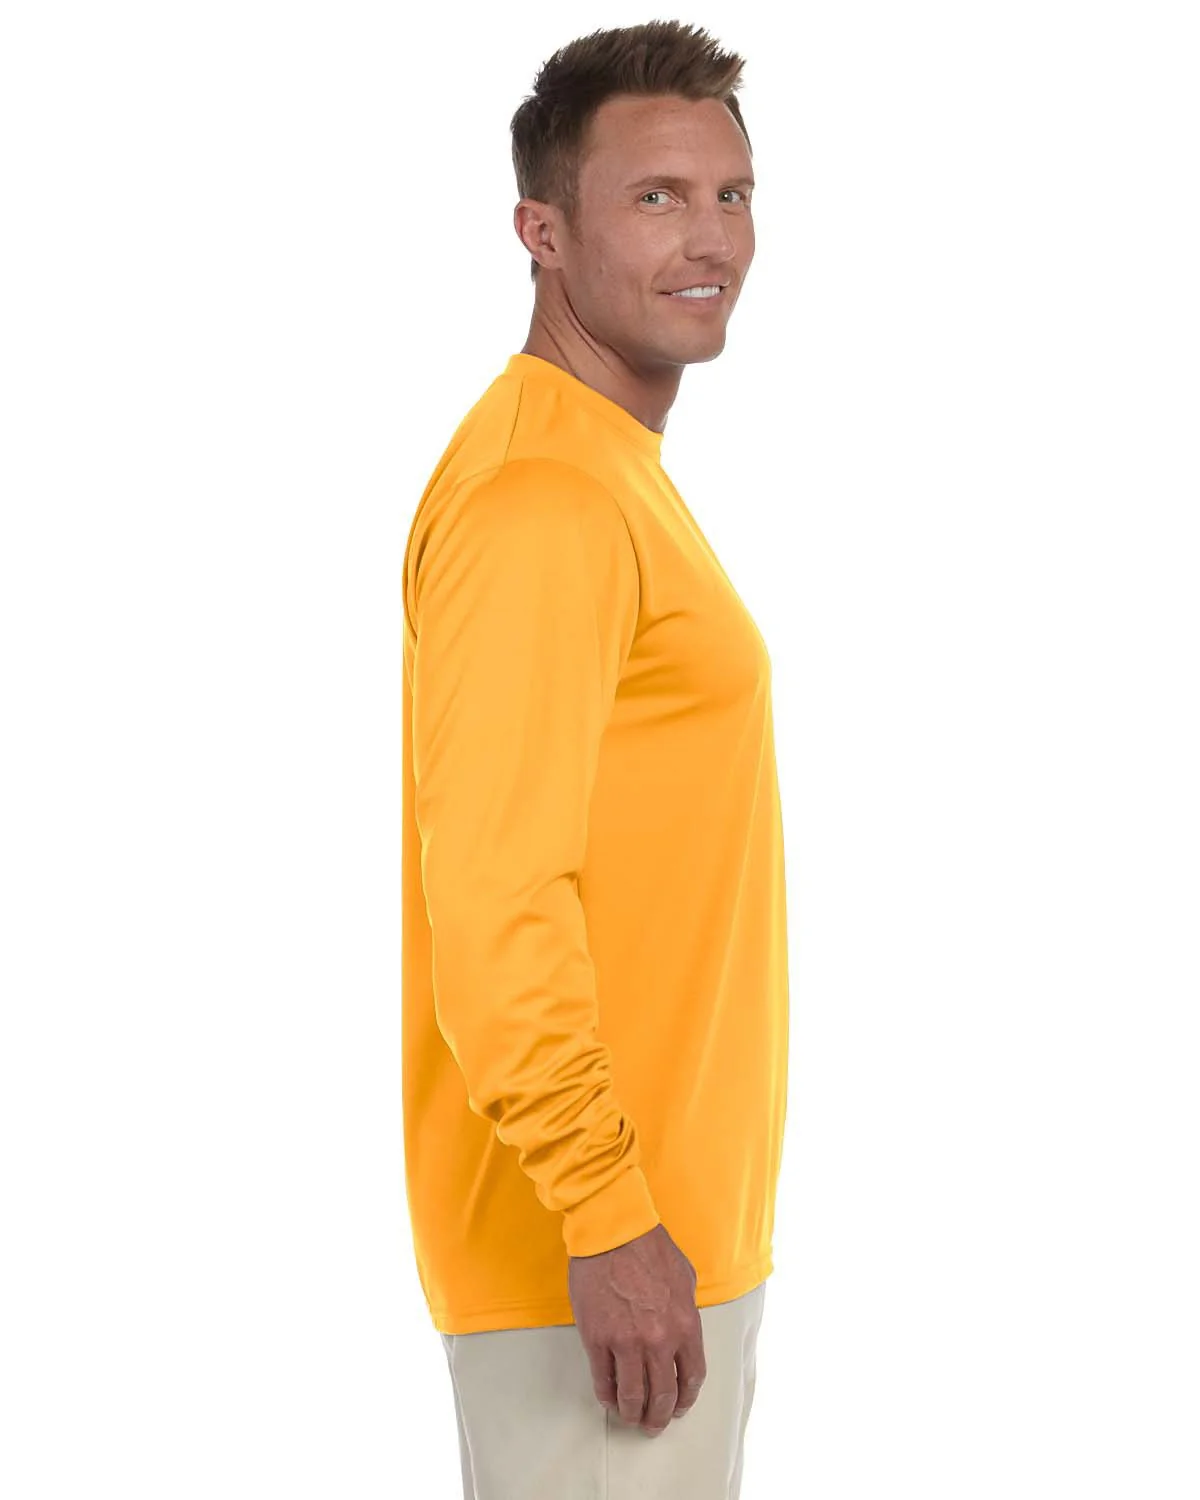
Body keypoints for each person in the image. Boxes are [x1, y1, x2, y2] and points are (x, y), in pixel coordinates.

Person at [401, 20, 790, 1499]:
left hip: (659, 1242)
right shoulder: (544, 503)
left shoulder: (605, 470)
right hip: (599, 1264)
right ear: (543, 231)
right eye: (657, 197)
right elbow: (495, 901)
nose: (713, 240)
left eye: (732, 194)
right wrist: (608, 1212)